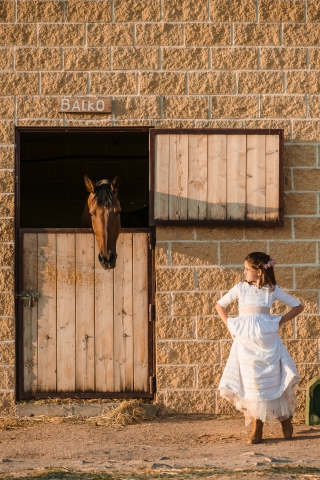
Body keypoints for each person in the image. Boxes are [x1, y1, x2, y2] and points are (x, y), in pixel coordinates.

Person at [215, 252, 304, 444]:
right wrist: (229, 324)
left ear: (258, 271)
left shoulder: (272, 290)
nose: (244, 272)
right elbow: (220, 305)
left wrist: (280, 321)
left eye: (247, 269)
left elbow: (298, 306)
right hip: (245, 345)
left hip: (268, 343)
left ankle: (285, 420)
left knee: (272, 379)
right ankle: (257, 426)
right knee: (252, 381)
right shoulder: (240, 288)